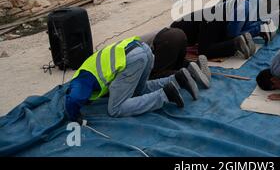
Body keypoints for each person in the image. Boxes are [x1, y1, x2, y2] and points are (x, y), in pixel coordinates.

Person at [64, 36, 203, 122]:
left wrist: (74, 116)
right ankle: (178, 79)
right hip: (142, 49)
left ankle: (165, 94)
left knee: (115, 109)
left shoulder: (80, 81)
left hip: (131, 59)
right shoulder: (89, 67)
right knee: (138, 91)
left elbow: (75, 98)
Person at [140, 28, 211, 88]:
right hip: (179, 34)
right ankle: (195, 65)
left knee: (153, 76)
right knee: (177, 63)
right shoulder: (132, 42)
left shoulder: (130, 53)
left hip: (166, 40)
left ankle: (187, 74)